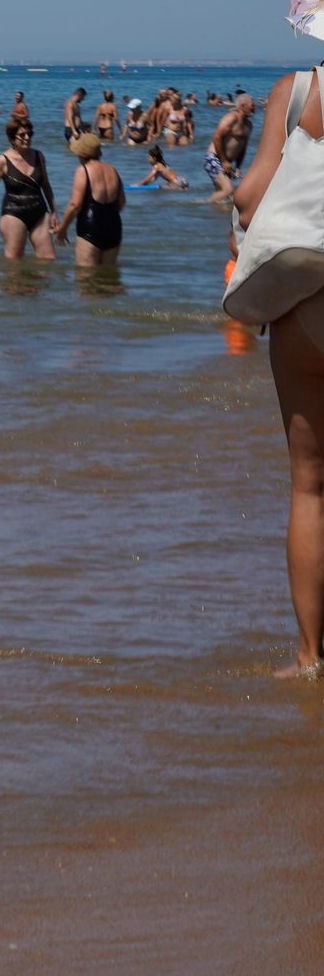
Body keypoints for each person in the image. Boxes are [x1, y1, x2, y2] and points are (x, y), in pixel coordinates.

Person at [225, 65, 324, 676]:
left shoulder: (296, 90)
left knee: (311, 486)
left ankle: (312, 657)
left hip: (306, 307)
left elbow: (247, 195)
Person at [0, 117, 58, 260]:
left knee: (49, 259)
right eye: (22, 135)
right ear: (11, 138)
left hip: (39, 213)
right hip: (13, 214)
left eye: (30, 134)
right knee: (14, 263)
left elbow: (46, 185)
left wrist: (54, 212)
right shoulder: (3, 160)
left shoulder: (39, 156)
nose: (27, 138)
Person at [54, 133, 125, 265]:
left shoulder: (83, 170)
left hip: (90, 227)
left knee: (85, 279)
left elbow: (75, 205)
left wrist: (62, 229)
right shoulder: (113, 169)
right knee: (108, 279)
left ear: (81, 154)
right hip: (114, 227)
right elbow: (121, 202)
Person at [205, 94, 256, 203]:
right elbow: (216, 137)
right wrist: (224, 162)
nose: (254, 108)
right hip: (213, 158)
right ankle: (202, 206)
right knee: (229, 190)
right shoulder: (232, 117)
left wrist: (238, 166)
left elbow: (242, 147)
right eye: (252, 105)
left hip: (226, 162)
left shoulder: (249, 125)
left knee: (223, 195)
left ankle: (214, 215)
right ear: (242, 106)